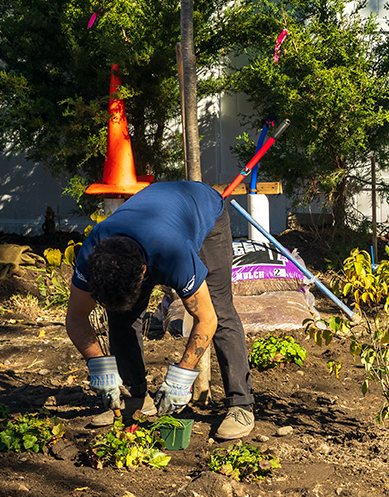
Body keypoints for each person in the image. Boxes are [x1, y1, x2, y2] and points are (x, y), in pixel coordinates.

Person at [64, 181, 254, 439]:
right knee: (121, 315)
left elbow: (206, 318)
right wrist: (99, 364)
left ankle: (241, 405)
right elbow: (75, 317)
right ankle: (135, 397)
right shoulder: (93, 253)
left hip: (202, 208)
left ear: (144, 272)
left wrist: (183, 375)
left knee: (219, 308)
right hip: (156, 217)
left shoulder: (173, 254)